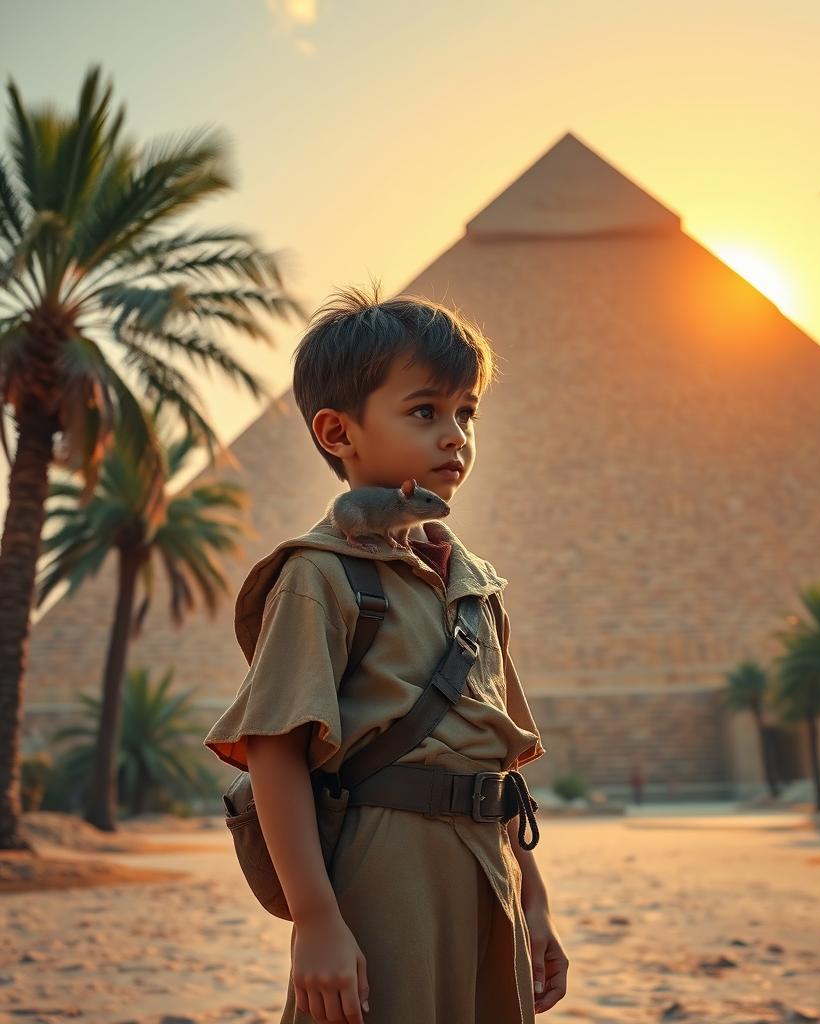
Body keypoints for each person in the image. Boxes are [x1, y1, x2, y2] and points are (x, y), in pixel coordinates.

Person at [203, 283, 569, 1023]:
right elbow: (275, 750)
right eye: (425, 410)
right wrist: (315, 919)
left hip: (486, 872)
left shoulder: (475, 587)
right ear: (338, 433)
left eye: (466, 412)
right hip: (386, 870)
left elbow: (493, 759)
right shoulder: (320, 575)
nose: (456, 435)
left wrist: (535, 899)